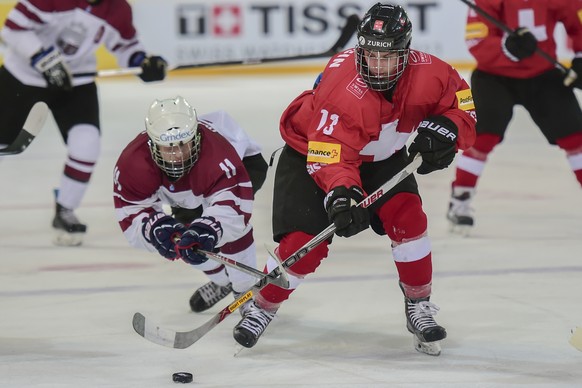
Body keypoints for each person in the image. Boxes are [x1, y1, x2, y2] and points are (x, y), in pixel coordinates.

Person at [231, 3, 477, 356]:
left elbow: (463, 106)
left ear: (406, 53)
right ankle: (262, 306)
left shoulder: (432, 73)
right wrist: (342, 193)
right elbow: (328, 153)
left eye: (387, 56)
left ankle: (419, 304)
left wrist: (449, 129)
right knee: (305, 245)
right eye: (370, 55)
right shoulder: (342, 87)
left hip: (380, 156)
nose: (376, 66)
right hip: (310, 154)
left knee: (409, 218)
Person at [0, 0, 168, 246]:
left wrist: (142, 62)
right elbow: (13, 30)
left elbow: (125, 46)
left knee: (86, 143)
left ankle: (65, 208)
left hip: (75, 83)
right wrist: (43, 58)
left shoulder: (118, 8)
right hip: (22, 78)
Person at [113, 96, 269, 315]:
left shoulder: (217, 155)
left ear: (195, 137)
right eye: (168, 148)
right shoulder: (134, 163)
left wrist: (211, 228)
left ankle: (247, 294)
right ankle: (223, 281)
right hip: (191, 185)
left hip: (242, 166)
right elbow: (131, 214)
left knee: (227, 233)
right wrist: (151, 228)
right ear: (153, 145)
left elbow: (233, 214)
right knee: (184, 238)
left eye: (183, 145)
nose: (177, 155)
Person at [447, 0, 582, 235]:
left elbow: (578, 20)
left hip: (543, 74)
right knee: (482, 138)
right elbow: (476, 40)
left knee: (576, 138)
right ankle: (460, 200)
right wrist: (507, 47)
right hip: (494, 77)